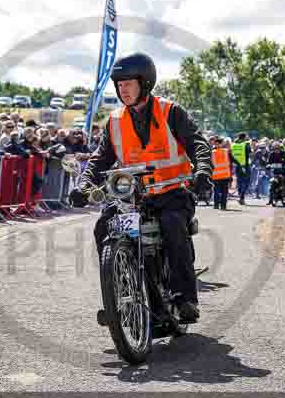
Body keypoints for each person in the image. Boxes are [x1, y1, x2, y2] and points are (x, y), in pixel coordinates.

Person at [68, 53, 212, 323]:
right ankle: (119, 295)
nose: (123, 90)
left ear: (145, 84)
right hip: (131, 197)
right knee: (103, 226)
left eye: (128, 83)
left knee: (171, 225)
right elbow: (100, 159)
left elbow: (198, 143)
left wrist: (203, 170)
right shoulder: (114, 121)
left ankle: (184, 299)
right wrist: (83, 184)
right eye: (119, 85)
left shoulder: (171, 111)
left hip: (173, 192)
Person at [211, 137, 233, 210]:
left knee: (217, 191)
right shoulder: (226, 151)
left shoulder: (212, 152)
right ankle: (223, 206)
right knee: (224, 192)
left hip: (216, 175)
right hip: (225, 175)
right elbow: (233, 160)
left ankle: (216, 205)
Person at [230, 133, 251, 205]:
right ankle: (241, 197)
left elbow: (231, 156)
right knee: (246, 182)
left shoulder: (233, 145)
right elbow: (250, 154)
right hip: (245, 166)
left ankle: (240, 197)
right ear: (244, 138)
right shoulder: (246, 145)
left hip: (237, 166)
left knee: (239, 182)